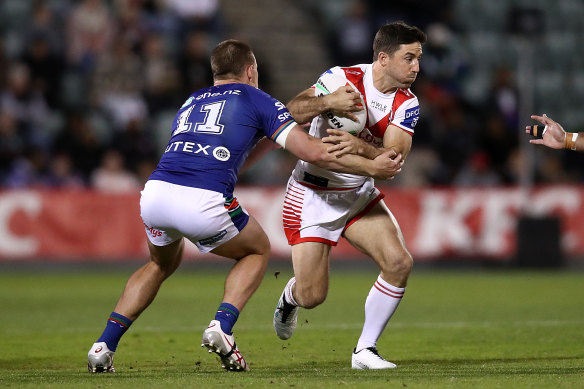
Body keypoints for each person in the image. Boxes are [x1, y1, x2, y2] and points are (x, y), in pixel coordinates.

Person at [87, 39, 403, 374]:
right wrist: (372, 167)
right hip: (202, 198)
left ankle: (103, 346)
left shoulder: (192, 100)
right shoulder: (256, 97)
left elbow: (233, 150)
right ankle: (221, 326)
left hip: (156, 193)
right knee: (256, 251)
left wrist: (271, 137)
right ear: (251, 70)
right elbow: (313, 152)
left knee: (158, 264)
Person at [272, 21, 426, 370]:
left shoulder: (407, 103)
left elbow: (392, 162)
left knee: (399, 263)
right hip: (313, 193)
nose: (416, 66)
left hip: (356, 194)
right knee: (313, 296)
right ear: (384, 59)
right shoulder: (342, 78)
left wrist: (358, 146)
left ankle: (365, 351)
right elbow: (290, 112)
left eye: (418, 58)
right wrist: (326, 101)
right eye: (410, 58)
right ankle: (290, 296)